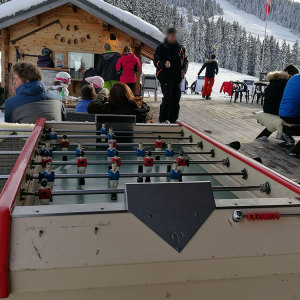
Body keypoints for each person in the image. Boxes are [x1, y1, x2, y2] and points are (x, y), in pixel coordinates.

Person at [257, 65, 299, 143]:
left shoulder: (276, 79)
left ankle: (282, 133)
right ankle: (283, 133)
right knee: (291, 113)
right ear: (291, 74)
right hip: (275, 110)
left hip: (266, 108)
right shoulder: (286, 82)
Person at [154, 28, 188, 123]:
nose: (173, 37)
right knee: (167, 99)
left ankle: (173, 120)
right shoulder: (161, 48)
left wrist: (184, 69)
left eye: (174, 35)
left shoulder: (181, 48)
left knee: (176, 99)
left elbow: (185, 60)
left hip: (177, 78)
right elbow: (156, 61)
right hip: (165, 77)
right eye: (171, 35)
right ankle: (163, 120)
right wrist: (164, 64)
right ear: (167, 36)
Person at [87, 82, 152, 123]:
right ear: (129, 93)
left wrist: (104, 98)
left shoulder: (108, 110)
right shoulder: (141, 111)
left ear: (111, 97)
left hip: (110, 142)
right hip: (135, 142)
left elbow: (91, 106)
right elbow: (146, 110)